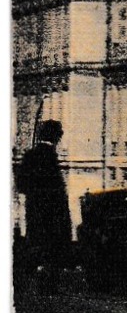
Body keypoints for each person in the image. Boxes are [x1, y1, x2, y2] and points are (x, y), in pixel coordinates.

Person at [17, 120, 73, 293]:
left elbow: (21, 184)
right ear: (56, 137)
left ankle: (29, 282)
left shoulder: (30, 155)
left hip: (34, 209)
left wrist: (34, 197)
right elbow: (56, 191)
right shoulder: (50, 157)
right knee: (52, 247)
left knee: (37, 243)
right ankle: (47, 286)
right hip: (52, 212)